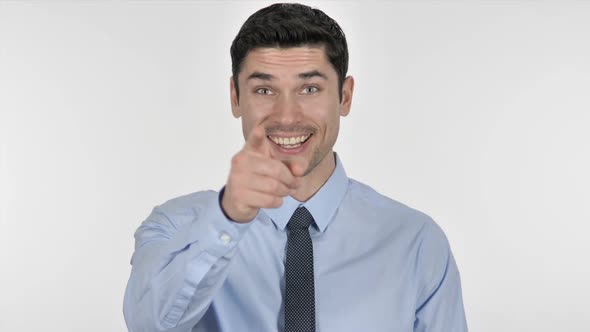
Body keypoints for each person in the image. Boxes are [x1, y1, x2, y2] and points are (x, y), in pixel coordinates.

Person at [123, 3, 468, 331]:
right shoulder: (177, 227)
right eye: (264, 89)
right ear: (235, 97)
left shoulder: (417, 242)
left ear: (345, 96)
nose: (287, 116)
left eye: (309, 88)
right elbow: (150, 325)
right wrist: (228, 219)